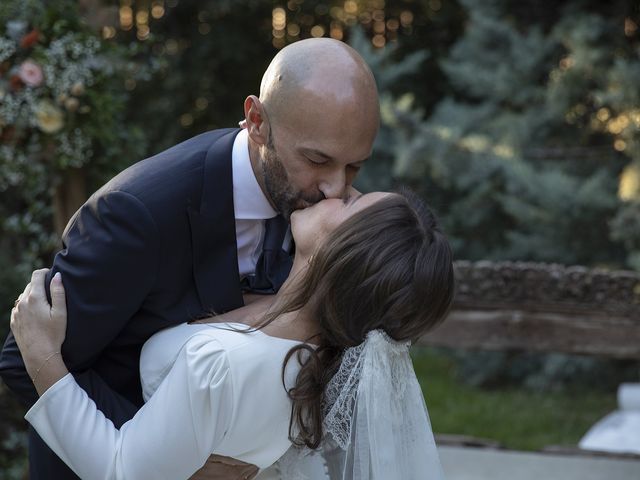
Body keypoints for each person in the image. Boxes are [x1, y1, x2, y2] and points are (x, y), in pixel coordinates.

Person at [0, 38, 379, 479]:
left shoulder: (318, 219)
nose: (336, 187)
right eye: (318, 159)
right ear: (257, 121)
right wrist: (178, 461)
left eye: (355, 167)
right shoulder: (138, 214)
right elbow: (23, 361)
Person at [10, 188, 455, 479]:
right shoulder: (315, 360)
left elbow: (120, 470)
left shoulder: (226, 362)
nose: (339, 189)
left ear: (347, 253)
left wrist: (41, 357)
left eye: (353, 202)